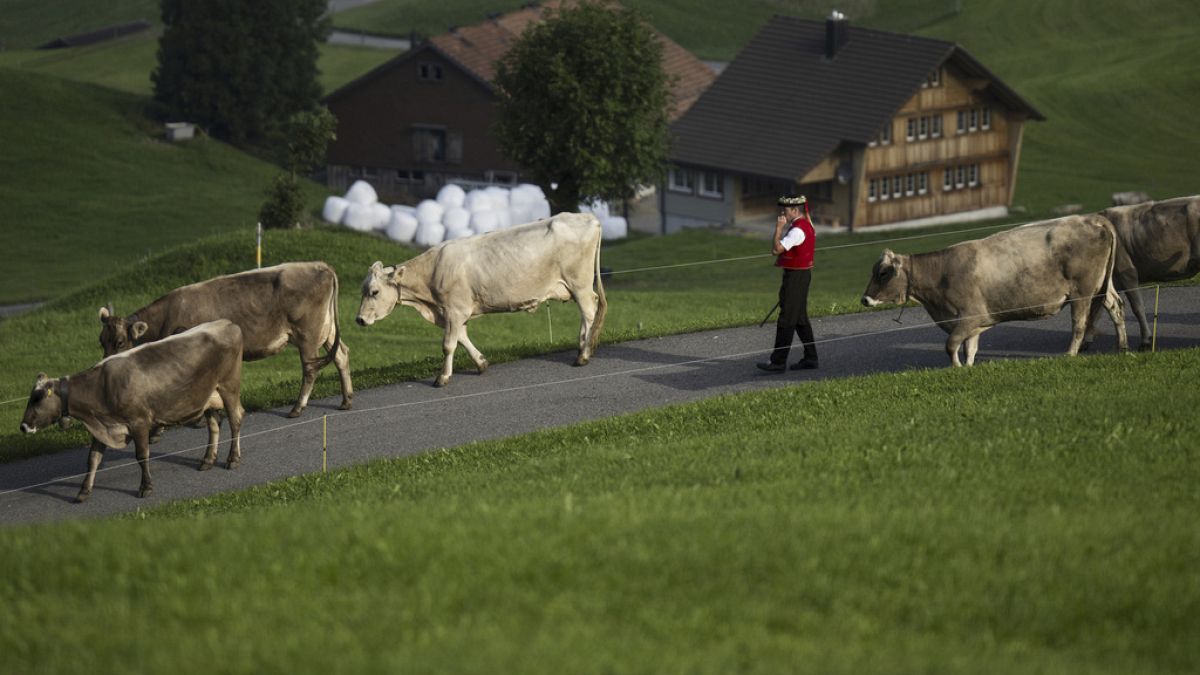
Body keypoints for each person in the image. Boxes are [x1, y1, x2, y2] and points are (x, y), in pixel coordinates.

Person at [757, 194, 818, 372]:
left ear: (794, 210)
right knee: (800, 319)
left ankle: (778, 361)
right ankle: (811, 358)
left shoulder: (797, 231)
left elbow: (776, 249)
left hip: (795, 278)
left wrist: (778, 228)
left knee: (786, 319)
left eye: (785, 210)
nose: (782, 213)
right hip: (801, 275)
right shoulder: (806, 225)